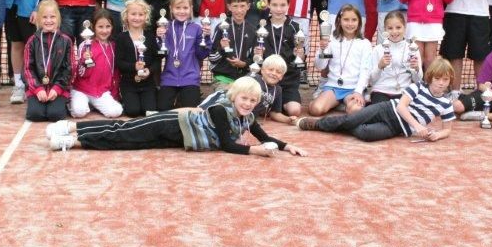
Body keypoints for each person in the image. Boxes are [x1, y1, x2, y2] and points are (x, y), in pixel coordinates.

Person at [45, 76, 308, 157]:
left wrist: (287, 146)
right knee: (123, 129)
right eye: (244, 99)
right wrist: (256, 151)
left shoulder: (246, 118)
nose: (248, 104)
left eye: (252, 101)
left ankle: (71, 142)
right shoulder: (221, 110)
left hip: (176, 139)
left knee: (125, 142)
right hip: (172, 124)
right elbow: (228, 145)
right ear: (234, 96)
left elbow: (263, 135)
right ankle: (71, 128)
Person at [297, 58, 457, 143]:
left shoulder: (446, 104)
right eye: (437, 78)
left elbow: (447, 130)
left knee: (366, 134)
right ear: (430, 77)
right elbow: (401, 107)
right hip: (386, 109)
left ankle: (344, 124)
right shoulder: (418, 86)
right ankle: (316, 124)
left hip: (396, 128)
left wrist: (437, 135)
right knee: (351, 119)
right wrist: (417, 126)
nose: (441, 83)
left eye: (445, 79)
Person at [309, 5, 372, 116]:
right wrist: (322, 50)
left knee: (355, 111)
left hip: (353, 89)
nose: (350, 24)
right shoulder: (331, 40)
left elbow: (365, 70)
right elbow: (320, 66)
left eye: (354, 20)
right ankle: (335, 102)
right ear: (339, 20)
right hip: (333, 87)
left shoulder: (365, 43)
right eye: (346, 19)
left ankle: (344, 102)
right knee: (315, 110)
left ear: (359, 22)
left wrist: (358, 91)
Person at [155, 0, 211, 110]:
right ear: (171, 9)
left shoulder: (197, 29)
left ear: (191, 8)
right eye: (178, 8)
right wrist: (159, 39)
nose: (181, 11)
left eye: (185, 8)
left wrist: (206, 38)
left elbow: (201, 55)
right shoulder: (166, 27)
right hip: (169, 78)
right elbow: (161, 53)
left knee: (190, 111)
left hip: (190, 79)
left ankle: (183, 99)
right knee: (163, 109)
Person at [200, 54, 292, 124]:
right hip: (229, 113)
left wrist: (289, 119)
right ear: (262, 70)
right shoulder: (253, 78)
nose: (274, 73)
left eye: (278, 72)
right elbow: (232, 89)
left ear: (282, 76)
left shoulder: (278, 90)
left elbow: (274, 113)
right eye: (270, 69)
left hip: (246, 120)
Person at [23, 0, 74, 122]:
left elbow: (69, 68)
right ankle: (38, 103)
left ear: (58, 18)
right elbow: (27, 68)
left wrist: (57, 88)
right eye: (44, 17)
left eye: (52, 17)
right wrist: (38, 89)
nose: (49, 20)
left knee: (56, 115)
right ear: (39, 19)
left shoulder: (66, 41)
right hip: (37, 88)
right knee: (35, 115)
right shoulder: (32, 41)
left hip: (58, 88)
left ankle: (60, 103)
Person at [260, 0, 304, 119]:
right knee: (256, 106)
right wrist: (258, 54)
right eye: (274, 5)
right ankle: (272, 106)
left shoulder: (295, 28)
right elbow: (255, 58)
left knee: (295, 111)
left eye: (282, 5)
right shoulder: (261, 26)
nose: (278, 9)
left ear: (288, 5)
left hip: (287, 82)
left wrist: (300, 55)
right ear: (268, 4)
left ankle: (276, 105)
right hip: (266, 81)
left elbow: (301, 60)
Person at [114, 0, 161, 117]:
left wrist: (149, 70)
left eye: (141, 14)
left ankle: (151, 96)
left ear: (146, 17)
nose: (137, 17)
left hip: (147, 83)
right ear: (126, 16)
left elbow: (157, 59)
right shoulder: (121, 38)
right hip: (129, 83)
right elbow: (119, 62)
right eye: (133, 14)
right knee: (133, 111)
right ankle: (125, 100)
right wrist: (134, 66)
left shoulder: (150, 36)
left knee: (149, 111)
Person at [71, 9, 122, 118]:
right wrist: (84, 62)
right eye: (100, 27)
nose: (104, 30)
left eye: (108, 26)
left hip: (101, 91)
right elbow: (80, 73)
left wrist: (114, 94)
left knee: (116, 111)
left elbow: (116, 72)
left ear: (112, 27)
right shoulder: (85, 45)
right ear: (93, 27)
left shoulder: (114, 46)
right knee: (79, 112)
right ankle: (71, 102)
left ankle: (93, 105)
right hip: (82, 89)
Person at [368, 10, 422, 104]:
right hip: (381, 91)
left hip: (404, 92)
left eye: (398, 27)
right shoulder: (378, 49)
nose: (394, 31)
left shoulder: (413, 48)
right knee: (383, 110)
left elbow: (418, 80)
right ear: (385, 29)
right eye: (390, 28)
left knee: (404, 110)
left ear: (405, 27)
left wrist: (416, 69)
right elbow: (371, 81)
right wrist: (379, 67)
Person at [209, 0, 256, 89]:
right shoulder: (221, 27)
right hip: (223, 78)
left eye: (242, 6)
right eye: (235, 6)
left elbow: (254, 58)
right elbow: (212, 58)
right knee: (229, 96)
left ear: (248, 6)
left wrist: (244, 64)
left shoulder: (253, 30)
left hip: (244, 79)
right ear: (229, 7)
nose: (239, 10)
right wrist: (222, 49)